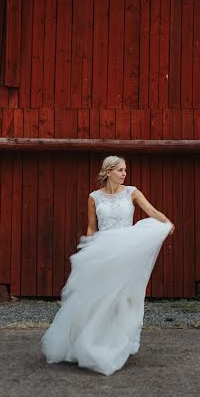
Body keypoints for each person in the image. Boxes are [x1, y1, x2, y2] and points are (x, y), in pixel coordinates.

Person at [41, 155, 174, 376]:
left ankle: (115, 343)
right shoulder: (94, 197)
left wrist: (166, 222)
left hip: (125, 252)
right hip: (103, 252)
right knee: (97, 298)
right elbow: (92, 227)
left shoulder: (132, 192)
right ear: (109, 171)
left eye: (125, 170)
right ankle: (90, 342)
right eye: (120, 170)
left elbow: (150, 211)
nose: (124, 174)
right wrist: (88, 250)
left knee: (121, 298)